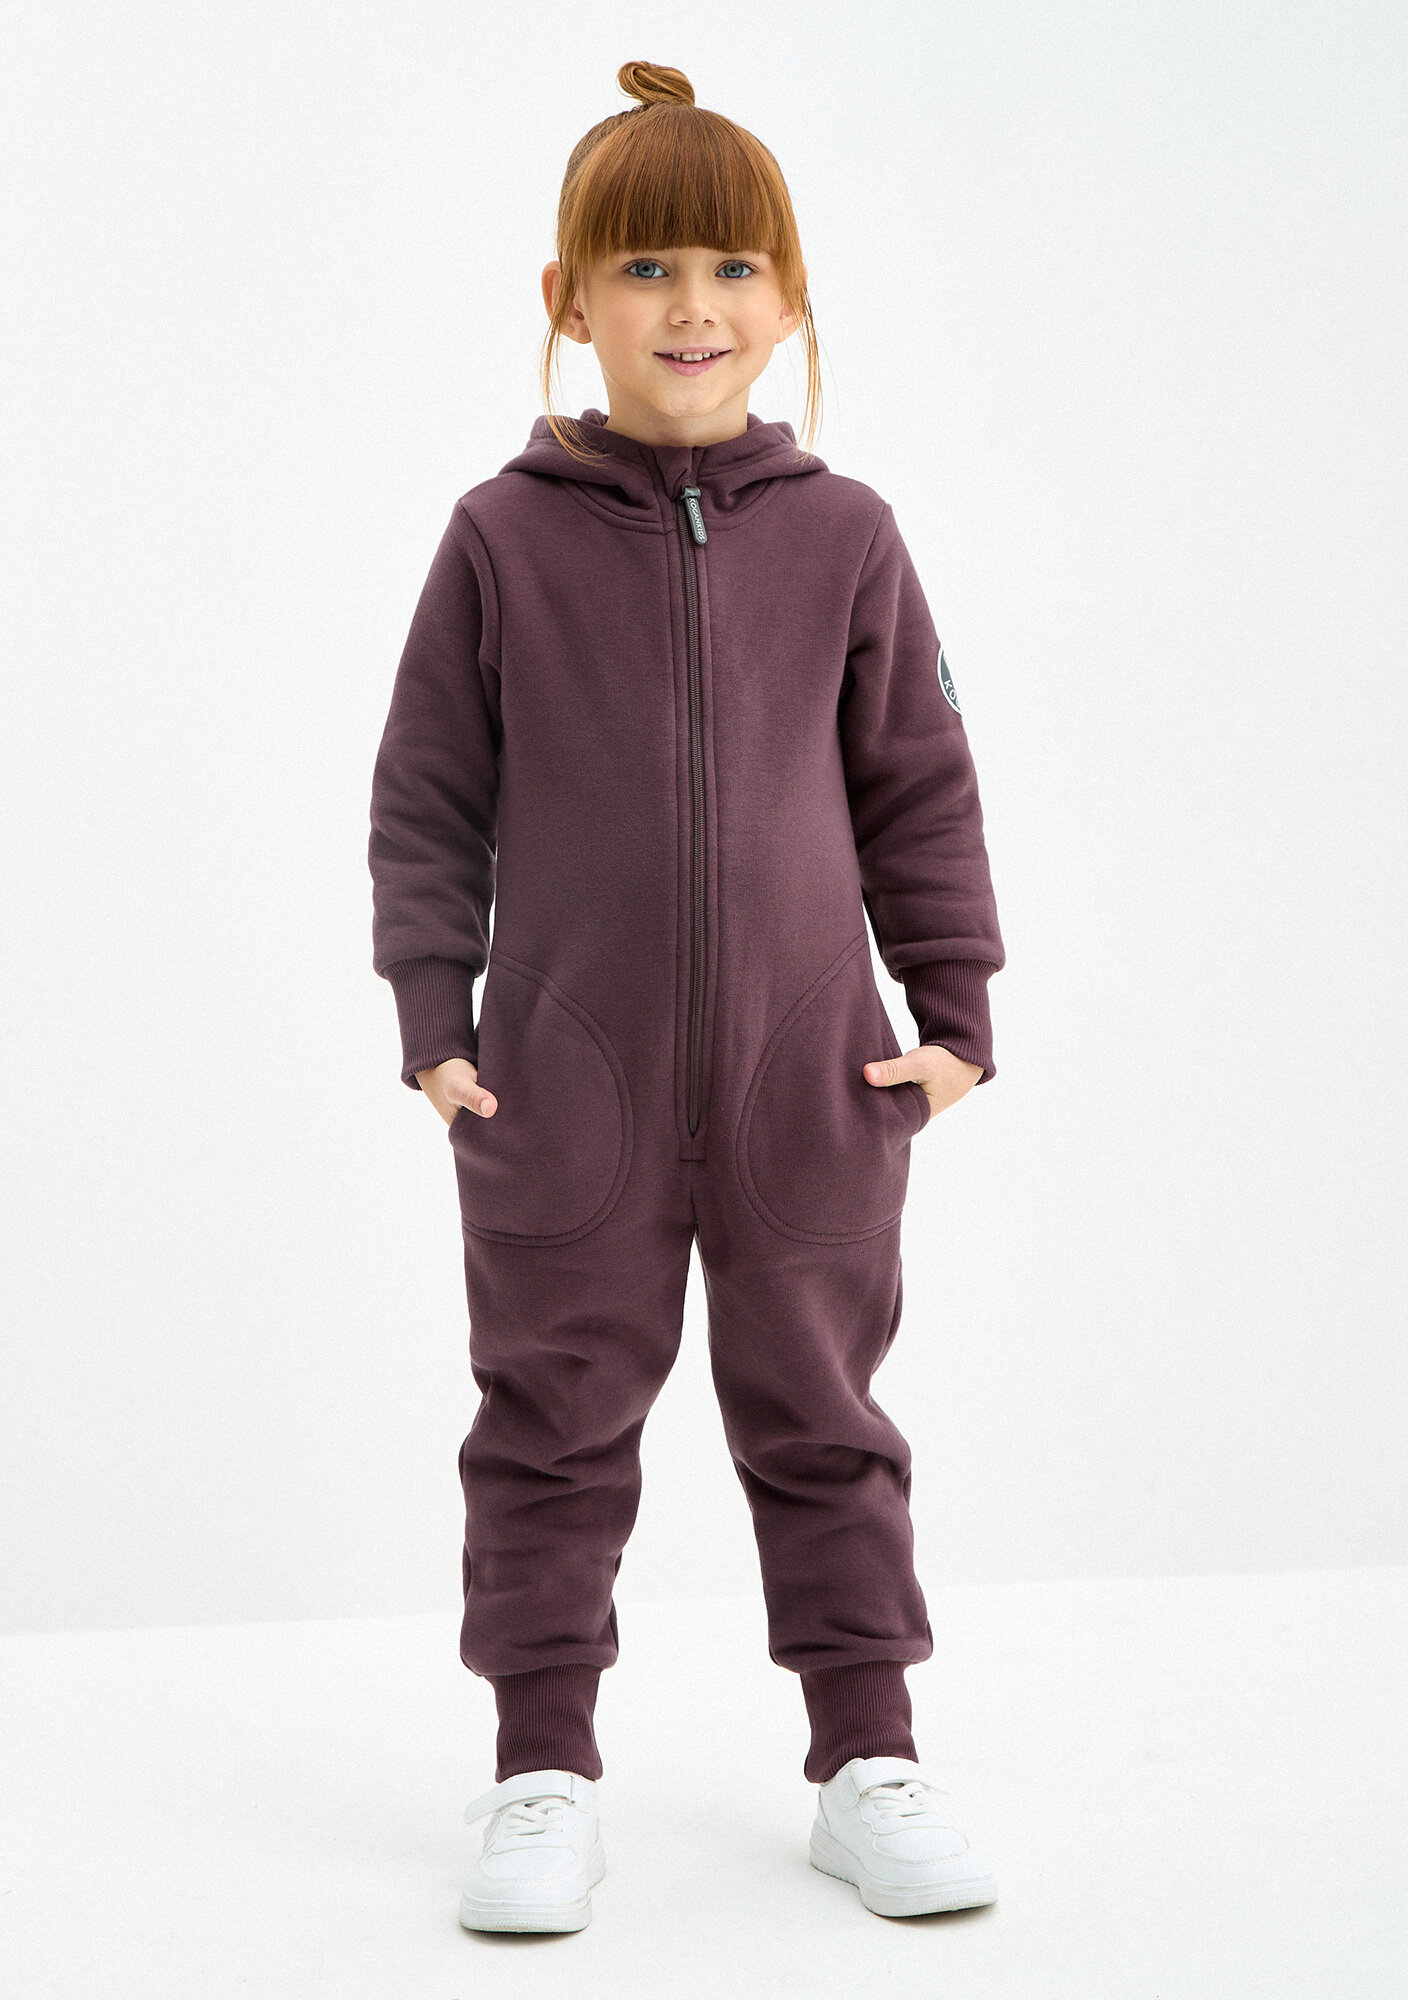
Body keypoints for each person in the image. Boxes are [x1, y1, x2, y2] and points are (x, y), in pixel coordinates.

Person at [368, 59, 1005, 1933]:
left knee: (826, 1421)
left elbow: (918, 784)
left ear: (789, 301)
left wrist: (953, 1012)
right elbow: (426, 797)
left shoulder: (846, 533)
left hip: (814, 1076)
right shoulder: (500, 536)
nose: (691, 307)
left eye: (732, 267)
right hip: (562, 1080)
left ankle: (868, 1758)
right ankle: (540, 1772)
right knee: (549, 1427)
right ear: (568, 299)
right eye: (644, 268)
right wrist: (436, 1024)